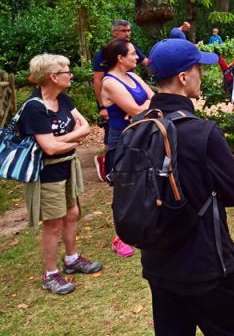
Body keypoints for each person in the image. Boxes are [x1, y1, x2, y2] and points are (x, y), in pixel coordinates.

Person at [142, 39, 234, 335]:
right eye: (197, 69)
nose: (201, 75)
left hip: (158, 265)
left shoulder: (139, 127)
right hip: (206, 266)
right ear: (182, 77)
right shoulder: (201, 132)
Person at [18, 54, 102, 295]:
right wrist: (70, 140)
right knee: (53, 223)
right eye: (66, 70)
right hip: (46, 174)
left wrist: (61, 140)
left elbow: (85, 127)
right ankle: (50, 274)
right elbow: (50, 148)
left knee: (73, 213)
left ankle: (72, 259)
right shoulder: (34, 108)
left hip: (66, 166)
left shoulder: (63, 99)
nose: (71, 74)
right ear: (53, 77)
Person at [99, 39, 155, 258]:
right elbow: (135, 108)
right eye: (132, 54)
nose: (137, 57)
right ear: (120, 58)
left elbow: (154, 99)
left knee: (146, 182)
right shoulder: (110, 82)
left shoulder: (133, 76)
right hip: (122, 141)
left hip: (141, 135)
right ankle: (119, 237)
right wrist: (141, 110)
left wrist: (140, 110)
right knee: (124, 187)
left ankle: (142, 226)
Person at [91, 19, 148, 179]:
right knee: (112, 131)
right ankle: (108, 165)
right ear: (114, 32)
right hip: (112, 100)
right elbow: (97, 80)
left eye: (129, 30)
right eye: (124, 31)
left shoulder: (132, 50)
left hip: (131, 98)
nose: (128, 34)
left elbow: (147, 63)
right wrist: (102, 106)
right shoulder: (103, 54)